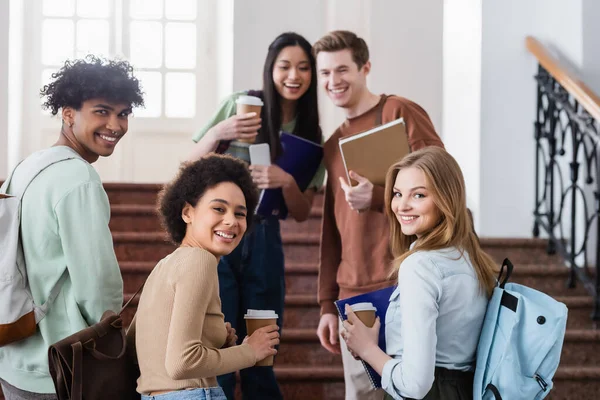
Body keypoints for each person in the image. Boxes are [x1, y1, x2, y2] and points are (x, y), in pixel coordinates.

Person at [188, 32, 324, 400]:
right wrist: (221, 130)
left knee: (262, 349)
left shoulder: (311, 132)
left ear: (312, 74)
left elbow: (302, 211)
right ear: (271, 69)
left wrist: (286, 182)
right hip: (221, 235)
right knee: (220, 341)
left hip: (265, 238)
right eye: (284, 66)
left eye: (303, 67)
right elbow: (189, 167)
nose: (293, 75)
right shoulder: (241, 104)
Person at [0, 55, 144, 399]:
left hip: (14, 355)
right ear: (68, 114)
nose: (115, 125)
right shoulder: (79, 179)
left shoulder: (27, 166)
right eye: (102, 111)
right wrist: (113, 342)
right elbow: (96, 282)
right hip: (62, 365)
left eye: (123, 114)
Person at [312, 30, 445, 399]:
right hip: (356, 295)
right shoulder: (332, 144)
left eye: (342, 70)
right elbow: (332, 228)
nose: (333, 81)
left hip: (407, 283)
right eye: (325, 73)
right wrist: (327, 304)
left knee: (417, 391)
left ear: (365, 67)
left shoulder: (398, 112)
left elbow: (444, 185)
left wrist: (380, 198)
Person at [340, 147, 498, 400]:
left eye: (419, 195)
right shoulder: (470, 259)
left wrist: (367, 348)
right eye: (398, 194)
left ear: (446, 200)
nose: (401, 205)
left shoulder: (421, 266)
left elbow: (414, 384)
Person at [132, 154, 280, 400]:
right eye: (219, 209)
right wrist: (250, 351)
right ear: (187, 212)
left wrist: (214, 342)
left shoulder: (165, 265)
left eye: (240, 213)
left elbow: (134, 349)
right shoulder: (199, 261)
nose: (232, 221)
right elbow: (182, 363)